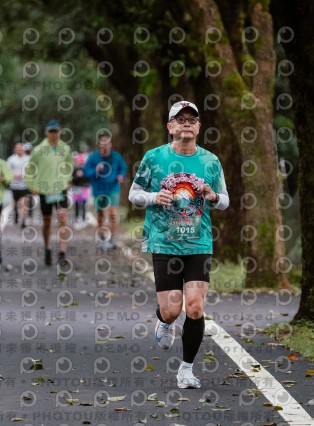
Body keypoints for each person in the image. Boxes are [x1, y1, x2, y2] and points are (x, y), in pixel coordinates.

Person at [128, 100, 229, 389]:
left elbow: (225, 201)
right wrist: (152, 198)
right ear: (170, 127)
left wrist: (211, 195)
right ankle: (165, 320)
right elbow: (134, 193)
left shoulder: (210, 161)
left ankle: (186, 369)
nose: (186, 122)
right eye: (180, 118)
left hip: (198, 242)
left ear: (198, 127)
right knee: (173, 310)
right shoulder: (154, 157)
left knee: (195, 307)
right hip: (164, 242)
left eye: (191, 119)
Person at [24, 120, 74, 266]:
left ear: (60, 132)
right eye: (51, 131)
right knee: (47, 221)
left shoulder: (65, 149)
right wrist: (32, 185)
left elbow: (70, 164)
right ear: (47, 133)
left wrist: (68, 178)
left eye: (56, 131)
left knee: (62, 217)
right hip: (44, 189)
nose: (53, 134)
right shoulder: (39, 150)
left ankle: (62, 252)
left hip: (60, 188)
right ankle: (47, 248)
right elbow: (29, 169)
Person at [80, 134, 127, 249]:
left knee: (112, 212)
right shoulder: (93, 157)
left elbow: (123, 167)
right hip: (98, 188)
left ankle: (112, 239)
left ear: (110, 145)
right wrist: (96, 170)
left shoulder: (116, 156)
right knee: (100, 214)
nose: (105, 145)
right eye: (103, 142)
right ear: (100, 144)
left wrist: (121, 175)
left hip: (113, 187)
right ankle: (102, 239)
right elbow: (85, 172)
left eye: (107, 142)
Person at [6, 142, 31, 228]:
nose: (19, 150)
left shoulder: (28, 159)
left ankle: (23, 221)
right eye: (17, 148)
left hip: (25, 184)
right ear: (15, 149)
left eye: (20, 148)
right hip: (15, 185)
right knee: (15, 203)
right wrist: (14, 175)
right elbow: (7, 171)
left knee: (24, 202)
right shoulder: (11, 159)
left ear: (24, 149)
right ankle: (16, 212)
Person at [71, 150, 91, 229]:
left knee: (83, 204)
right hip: (76, 188)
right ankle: (76, 219)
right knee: (76, 205)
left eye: (82, 163)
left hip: (84, 188)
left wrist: (83, 175)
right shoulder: (74, 169)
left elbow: (89, 179)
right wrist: (77, 176)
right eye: (80, 163)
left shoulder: (86, 169)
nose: (81, 165)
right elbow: (72, 180)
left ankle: (83, 219)